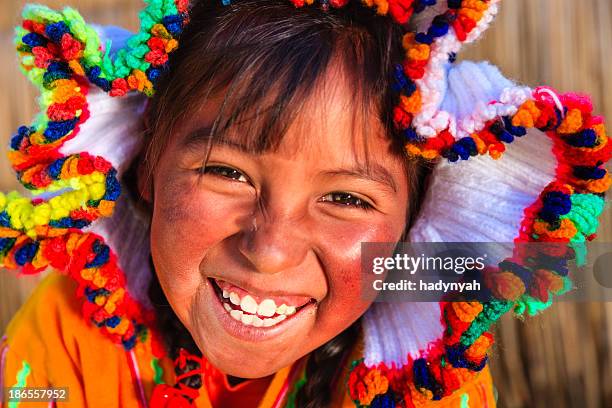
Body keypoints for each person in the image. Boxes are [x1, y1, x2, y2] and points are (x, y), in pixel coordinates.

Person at [1, 0, 609, 407]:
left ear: (410, 230)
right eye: (226, 172)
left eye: (345, 197)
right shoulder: (63, 345)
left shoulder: (422, 385)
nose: (269, 250)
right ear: (146, 168)